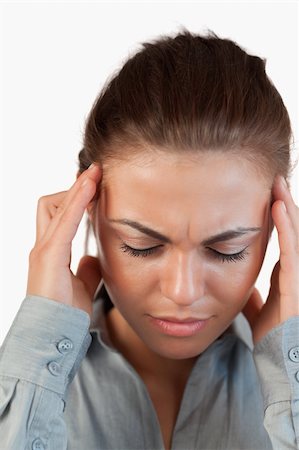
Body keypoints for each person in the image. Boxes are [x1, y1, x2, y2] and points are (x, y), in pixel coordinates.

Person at [0, 28, 298, 450]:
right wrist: (38, 357)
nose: (182, 291)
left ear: (275, 230)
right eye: (141, 246)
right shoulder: (27, 375)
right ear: (86, 212)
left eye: (226, 250)